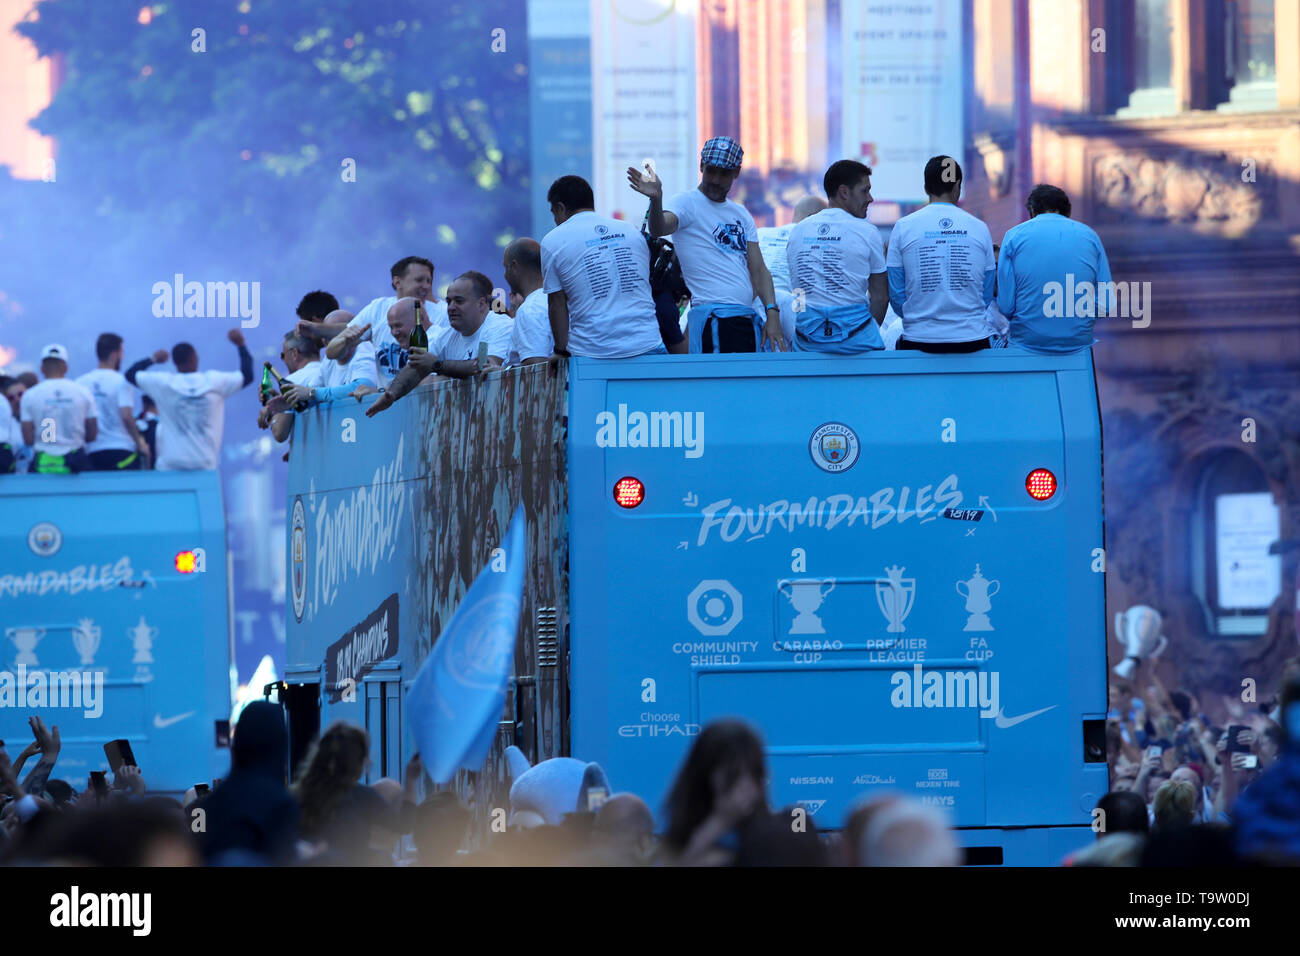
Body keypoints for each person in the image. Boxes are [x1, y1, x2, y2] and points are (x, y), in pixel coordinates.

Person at [627, 137, 785, 352]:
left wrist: (772, 313)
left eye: (724, 173)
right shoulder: (686, 202)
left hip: (745, 318)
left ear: (736, 173)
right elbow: (660, 228)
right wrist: (656, 199)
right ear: (701, 166)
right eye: (711, 170)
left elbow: (759, 270)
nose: (716, 180)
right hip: (713, 319)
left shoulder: (741, 213)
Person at [540, 175, 664, 360]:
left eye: (554, 213)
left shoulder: (552, 241)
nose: (556, 220)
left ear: (560, 208)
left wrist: (560, 351)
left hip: (592, 354)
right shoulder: (631, 231)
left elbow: (557, 303)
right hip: (648, 344)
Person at [886, 155, 996, 352]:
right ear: (958, 186)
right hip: (972, 340)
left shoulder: (903, 227)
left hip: (919, 339)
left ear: (926, 188)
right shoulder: (980, 227)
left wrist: (918, 319)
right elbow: (986, 292)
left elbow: (896, 293)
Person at [785, 159, 890, 352]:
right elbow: (881, 297)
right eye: (864, 190)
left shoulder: (798, 232)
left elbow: (797, 293)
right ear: (844, 192)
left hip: (807, 341)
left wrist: (806, 324)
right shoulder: (868, 232)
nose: (870, 198)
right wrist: (862, 330)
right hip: (857, 342)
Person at [997, 184, 1114, 353]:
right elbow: (1106, 304)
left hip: (1028, 341)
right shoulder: (1090, 236)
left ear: (1032, 210)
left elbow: (1006, 306)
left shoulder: (1013, 236)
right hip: (1077, 342)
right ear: (1066, 211)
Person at [125, 329, 252, 471]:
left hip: (171, 465)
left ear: (175, 362)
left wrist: (153, 359)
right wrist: (241, 345)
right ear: (195, 358)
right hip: (205, 464)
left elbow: (130, 374)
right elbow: (247, 375)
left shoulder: (164, 384)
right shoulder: (215, 382)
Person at [661, 719, 770, 866]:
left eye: (754, 774)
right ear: (705, 774)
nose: (745, 786)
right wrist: (720, 821)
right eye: (733, 774)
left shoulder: (771, 835)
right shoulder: (678, 828)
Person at [329, 256, 448, 386]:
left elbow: (439, 378)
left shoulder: (443, 314)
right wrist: (345, 341)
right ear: (397, 282)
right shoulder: (377, 309)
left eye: (429, 281)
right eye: (419, 280)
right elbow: (331, 352)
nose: (426, 286)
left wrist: (382, 393)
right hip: (389, 401)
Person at [754, 193, 826, 346]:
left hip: (755, 302)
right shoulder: (814, 240)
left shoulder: (760, 233)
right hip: (790, 305)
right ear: (813, 217)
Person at [77, 332, 151, 471]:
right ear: (114, 355)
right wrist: (140, 444)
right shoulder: (122, 381)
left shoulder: (80, 383)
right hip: (122, 451)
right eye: (121, 352)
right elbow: (127, 417)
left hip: (92, 453)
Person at [19, 344, 96, 474]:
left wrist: (49, 438)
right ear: (65, 367)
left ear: (42, 368)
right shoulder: (82, 392)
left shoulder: (30, 395)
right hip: (75, 463)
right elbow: (92, 435)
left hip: (43, 464)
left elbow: (28, 439)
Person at [261, 330, 324, 443]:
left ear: (294, 353)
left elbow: (280, 433)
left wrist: (271, 410)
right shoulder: (328, 371)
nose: (283, 360)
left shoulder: (293, 381)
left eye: (283, 355)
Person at [502, 238, 551, 366]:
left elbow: (536, 372)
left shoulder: (530, 309)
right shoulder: (557, 299)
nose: (504, 275)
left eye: (505, 267)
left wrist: (502, 372)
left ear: (514, 267)